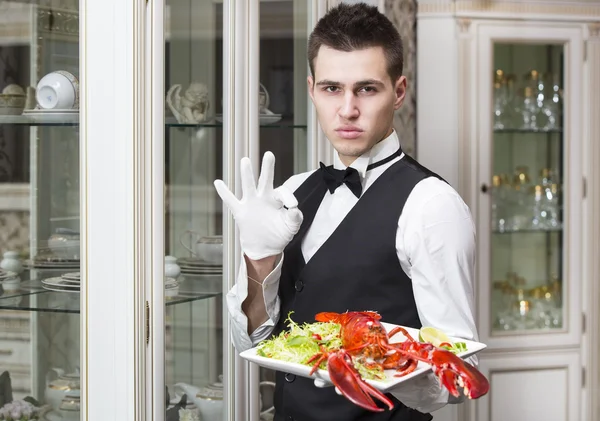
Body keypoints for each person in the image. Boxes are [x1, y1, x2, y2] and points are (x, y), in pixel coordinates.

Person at [214, 3, 480, 420]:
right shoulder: (292, 192)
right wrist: (258, 260)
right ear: (312, 90)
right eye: (332, 88)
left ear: (399, 91)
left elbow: (461, 375)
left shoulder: (432, 205)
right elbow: (250, 343)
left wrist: (371, 371)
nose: (348, 109)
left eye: (367, 89)